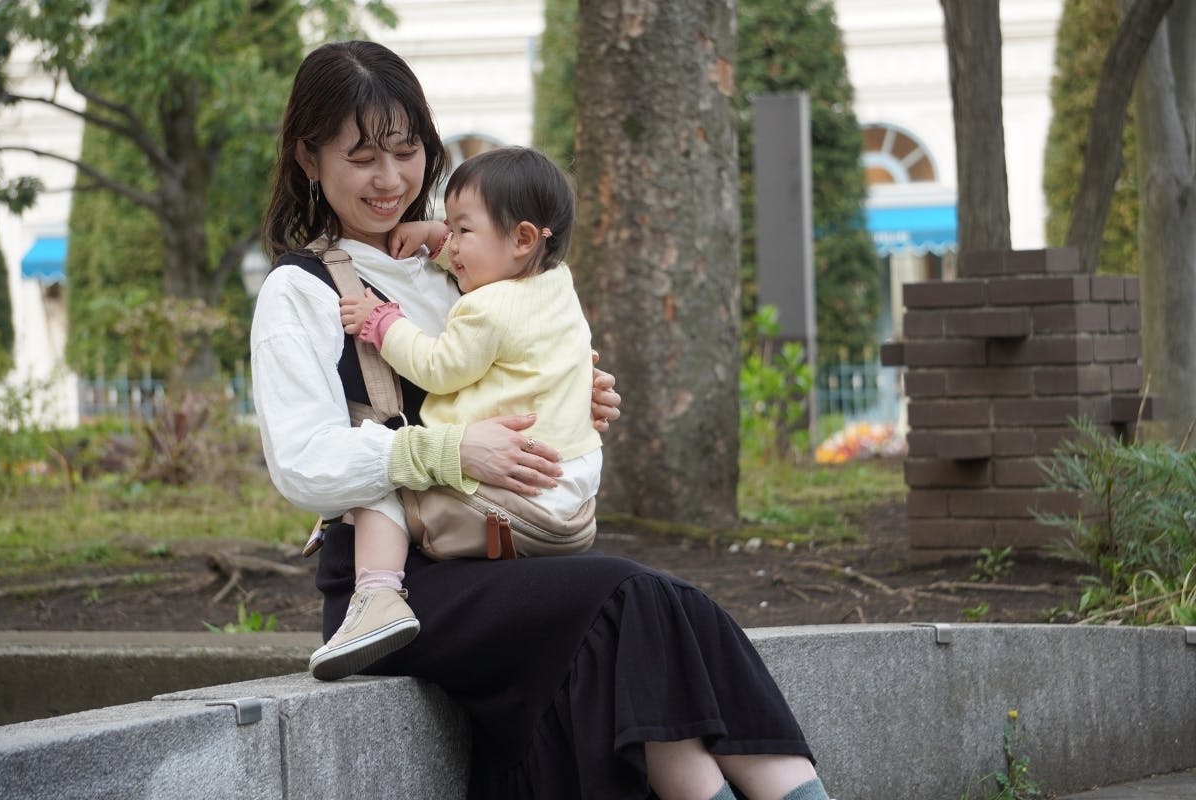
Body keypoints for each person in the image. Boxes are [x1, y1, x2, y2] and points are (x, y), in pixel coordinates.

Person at [251, 40, 831, 800]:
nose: (390, 179)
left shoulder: (464, 260)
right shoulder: (298, 293)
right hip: (394, 586)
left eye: (407, 151)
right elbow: (304, 463)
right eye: (362, 158)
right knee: (629, 598)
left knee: (669, 608)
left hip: (504, 545)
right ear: (309, 158)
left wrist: (566, 400)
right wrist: (454, 451)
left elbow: (510, 371)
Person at [313, 145, 602, 681]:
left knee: (382, 469)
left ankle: (376, 597)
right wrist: (436, 237)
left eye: (462, 230)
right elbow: (496, 259)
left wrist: (382, 322)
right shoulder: (555, 283)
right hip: (574, 480)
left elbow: (437, 367)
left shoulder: (484, 307)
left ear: (522, 238)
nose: (452, 241)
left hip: (517, 489)